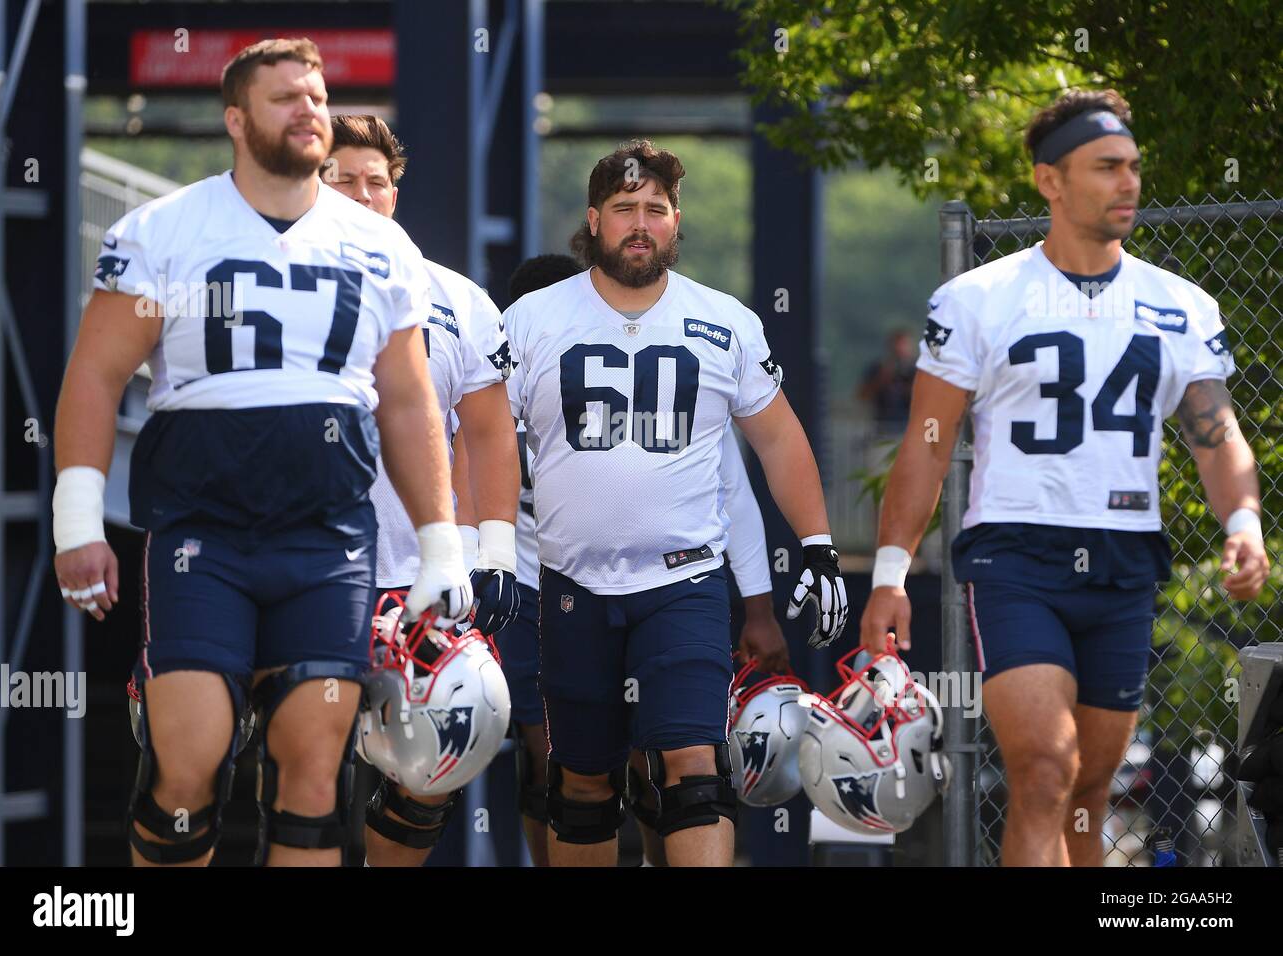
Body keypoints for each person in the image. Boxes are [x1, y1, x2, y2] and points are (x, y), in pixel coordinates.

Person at [53, 39, 471, 867]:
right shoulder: (164, 233)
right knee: (188, 761)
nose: (308, 111)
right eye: (285, 98)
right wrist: (76, 518)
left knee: (317, 775)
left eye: (316, 96)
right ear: (236, 120)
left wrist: (440, 540)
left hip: (329, 538)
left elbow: (410, 399)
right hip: (202, 534)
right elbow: (96, 376)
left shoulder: (382, 247)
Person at [860, 89, 1269, 866]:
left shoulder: (1179, 305)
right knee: (1044, 770)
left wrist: (1243, 525)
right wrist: (890, 575)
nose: (1129, 184)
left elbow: (1216, 438)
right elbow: (928, 441)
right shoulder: (979, 299)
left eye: (1134, 168)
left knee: (1090, 788)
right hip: (1018, 556)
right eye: (1107, 167)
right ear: (1051, 181)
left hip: (1123, 560)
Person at [504, 140, 848, 867]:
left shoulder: (724, 321)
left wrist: (816, 545)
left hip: (684, 581)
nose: (640, 224)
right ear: (593, 220)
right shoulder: (532, 319)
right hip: (570, 583)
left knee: (693, 771)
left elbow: (779, 441)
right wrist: (479, 548)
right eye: (625, 209)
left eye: (654, 210)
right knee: (583, 785)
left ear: (676, 222)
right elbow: (484, 443)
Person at [502, 254, 791, 867]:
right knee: (559, 765)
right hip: (532, 584)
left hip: (654, 579)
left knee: (670, 762)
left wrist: (760, 603)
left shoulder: (656, 380)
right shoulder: (508, 371)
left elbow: (731, 492)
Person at [322, 113, 520, 865]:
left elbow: (489, 432)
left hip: (419, 570)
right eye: (343, 178)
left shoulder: (458, 299)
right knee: (295, 758)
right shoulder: (275, 278)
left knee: (438, 755)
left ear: (395, 196)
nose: (362, 194)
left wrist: (491, 548)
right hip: (310, 564)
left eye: (377, 182)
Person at [857, 329, 916, 434]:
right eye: (897, 345)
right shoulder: (879, 368)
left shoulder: (918, 371)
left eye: (904, 345)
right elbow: (862, 396)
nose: (900, 349)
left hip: (910, 428)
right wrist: (882, 378)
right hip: (883, 427)